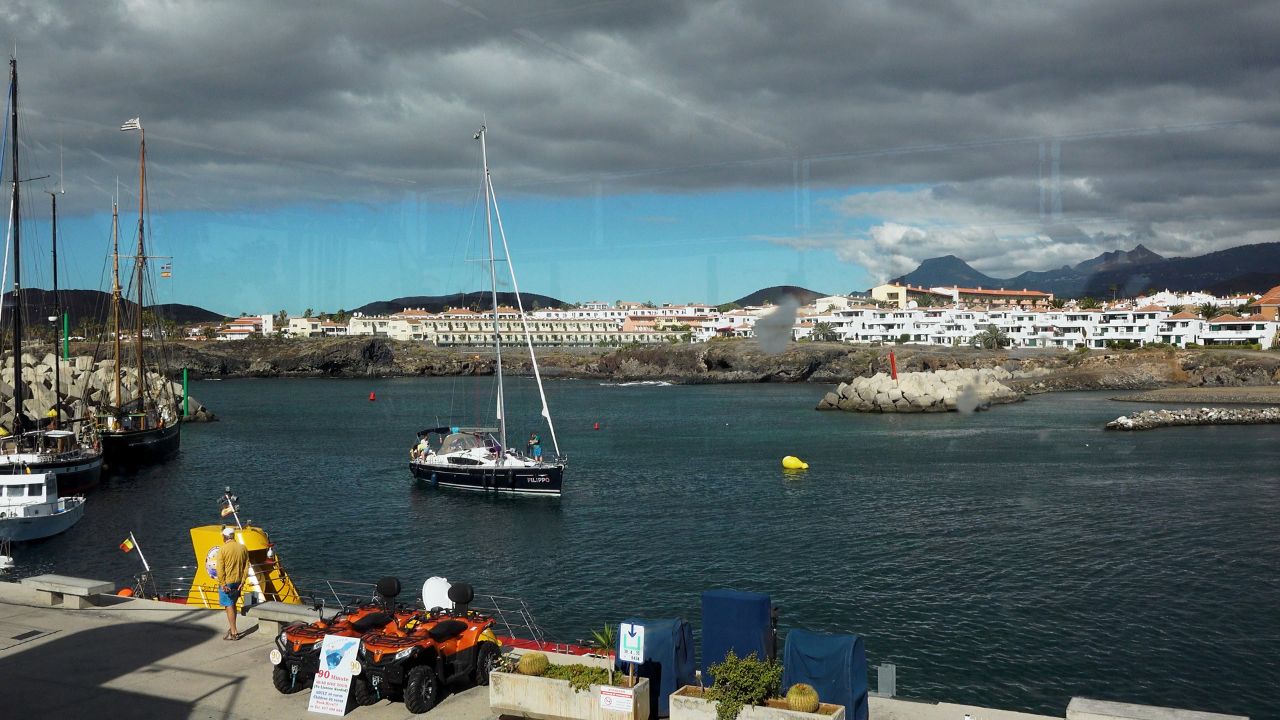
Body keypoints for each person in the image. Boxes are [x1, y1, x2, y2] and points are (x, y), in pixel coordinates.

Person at [215, 526, 249, 640]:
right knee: (232, 605)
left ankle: (234, 632)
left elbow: (219, 569)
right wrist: (243, 581)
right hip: (238, 581)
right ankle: (232, 628)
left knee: (229, 606)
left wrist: (223, 584)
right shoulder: (243, 548)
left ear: (224, 537)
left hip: (227, 582)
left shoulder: (222, 550)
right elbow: (246, 566)